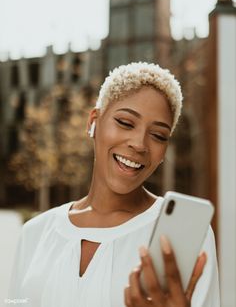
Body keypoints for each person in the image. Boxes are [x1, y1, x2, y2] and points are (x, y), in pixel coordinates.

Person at [8, 62, 220, 307]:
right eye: (126, 123)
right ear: (93, 122)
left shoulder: (182, 236)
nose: (139, 144)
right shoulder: (36, 233)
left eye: (158, 135)